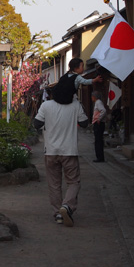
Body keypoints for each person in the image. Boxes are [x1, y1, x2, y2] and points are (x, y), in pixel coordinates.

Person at [34, 97, 89, 227]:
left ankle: (58, 213)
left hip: (51, 151)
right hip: (69, 151)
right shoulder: (76, 104)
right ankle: (67, 206)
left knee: (54, 184)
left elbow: (36, 124)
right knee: (74, 182)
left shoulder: (46, 105)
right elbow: (85, 123)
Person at [91, 91, 107, 163]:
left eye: (92, 96)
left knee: (98, 140)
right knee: (98, 140)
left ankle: (100, 157)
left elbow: (103, 110)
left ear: (94, 97)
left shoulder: (98, 102)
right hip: (98, 123)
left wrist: (99, 118)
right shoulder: (98, 102)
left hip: (98, 124)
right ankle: (99, 157)